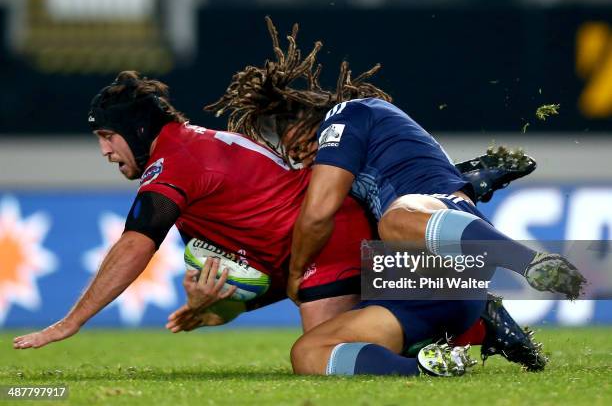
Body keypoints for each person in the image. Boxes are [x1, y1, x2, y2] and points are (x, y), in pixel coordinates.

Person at [13, 71, 544, 374]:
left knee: (325, 353)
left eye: (106, 137)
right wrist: (211, 308)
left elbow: (135, 244)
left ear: (132, 128)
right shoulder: (190, 154)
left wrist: (71, 322)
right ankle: (475, 319)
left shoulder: (173, 164)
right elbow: (266, 270)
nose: (105, 151)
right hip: (320, 245)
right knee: (343, 336)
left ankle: (469, 320)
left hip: (330, 242)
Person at [202, 17, 582, 376]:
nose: (304, 159)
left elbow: (318, 215)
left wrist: (297, 274)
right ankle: (430, 365)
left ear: (316, 119)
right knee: (309, 352)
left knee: (396, 219)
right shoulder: (362, 170)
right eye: (296, 156)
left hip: (448, 243)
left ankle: (532, 262)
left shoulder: (347, 114)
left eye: (303, 145)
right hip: (420, 285)